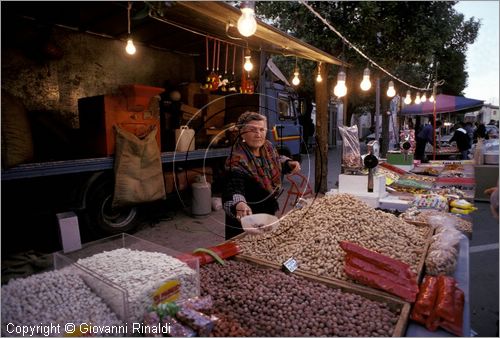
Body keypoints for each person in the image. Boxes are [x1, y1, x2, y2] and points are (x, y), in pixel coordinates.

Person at [222, 111, 301, 240]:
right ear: (242, 132)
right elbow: (233, 186)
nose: (258, 134)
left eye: (262, 129)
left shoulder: (267, 146)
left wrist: (288, 162)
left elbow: (276, 159)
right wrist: (239, 203)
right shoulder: (236, 158)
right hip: (245, 218)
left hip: (266, 213)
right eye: (252, 130)